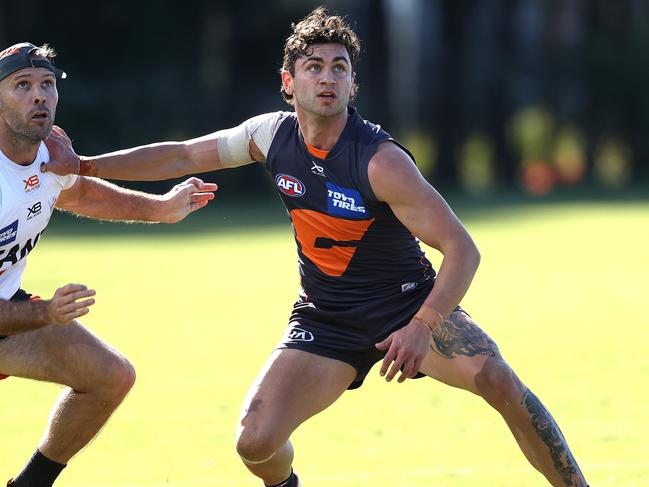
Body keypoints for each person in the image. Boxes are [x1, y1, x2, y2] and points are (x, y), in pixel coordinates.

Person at [44, 7, 589, 487]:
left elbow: (463, 249)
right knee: (254, 444)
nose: (327, 78)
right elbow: (184, 156)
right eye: (314, 67)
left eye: (339, 68)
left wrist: (422, 325)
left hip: (405, 305)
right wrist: (85, 166)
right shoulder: (269, 136)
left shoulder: (382, 162)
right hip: (326, 319)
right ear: (289, 81)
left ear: (354, 85)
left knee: (499, 379)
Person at [0, 42, 216, 487]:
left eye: (47, 84)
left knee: (110, 377)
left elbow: (78, 192)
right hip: (15, 313)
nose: (40, 95)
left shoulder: (51, 154)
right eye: (22, 85)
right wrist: (45, 312)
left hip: (7, 312)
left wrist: (162, 208)